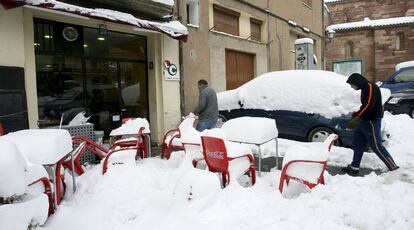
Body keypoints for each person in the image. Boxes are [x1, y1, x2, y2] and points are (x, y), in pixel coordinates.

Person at [342, 73, 399, 176]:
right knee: (358, 144)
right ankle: (354, 167)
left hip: (371, 121)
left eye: (352, 84)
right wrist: (356, 118)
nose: (352, 87)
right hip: (364, 120)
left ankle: (393, 167)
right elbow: (365, 105)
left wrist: (357, 115)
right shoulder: (364, 88)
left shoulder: (370, 87)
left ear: (357, 82)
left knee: (376, 146)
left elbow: (369, 105)